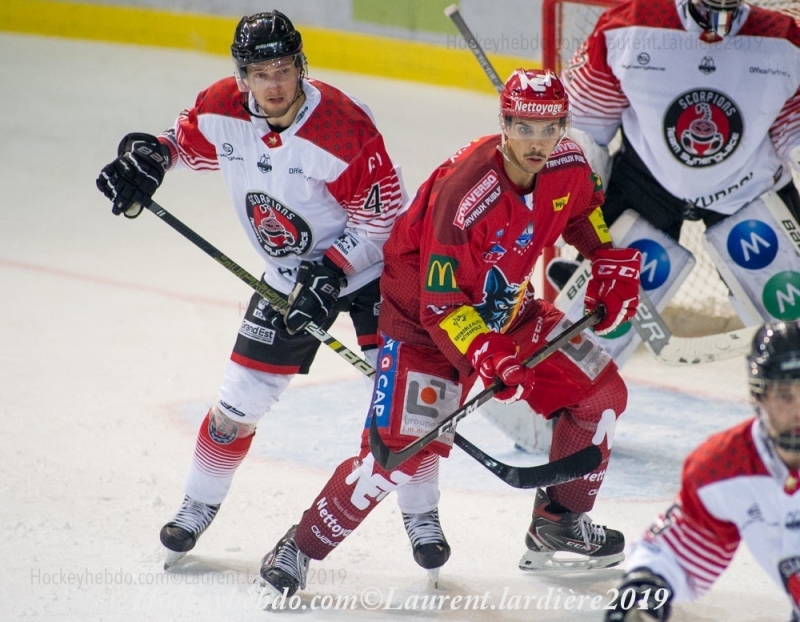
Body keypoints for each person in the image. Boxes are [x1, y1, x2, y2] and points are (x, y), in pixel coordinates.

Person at [256, 68, 643, 600]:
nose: (537, 142)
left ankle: (558, 523)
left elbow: (581, 213)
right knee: (395, 456)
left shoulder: (569, 162)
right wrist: (487, 351)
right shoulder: (465, 195)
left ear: (564, 125)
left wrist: (607, 257)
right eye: (524, 128)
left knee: (601, 394)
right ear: (503, 124)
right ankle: (298, 547)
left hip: (506, 308)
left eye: (549, 127)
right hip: (422, 324)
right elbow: (441, 304)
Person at [95, 11, 409, 567]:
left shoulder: (341, 127)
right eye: (260, 72)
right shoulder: (220, 106)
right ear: (241, 77)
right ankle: (197, 506)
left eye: (284, 69)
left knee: (402, 415)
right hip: (289, 277)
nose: (274, 84)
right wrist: (151, 159)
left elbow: (383, 220)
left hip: (369, 274)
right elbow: (185, 143)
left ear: (301, 67)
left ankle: (422, 518)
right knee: (232, 410)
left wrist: (334, 270)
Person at [551, 0, 800, 317]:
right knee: (595, 317)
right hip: (649, 183)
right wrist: (571, 208)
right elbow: (585, 127)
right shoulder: (629, 27)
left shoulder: (785, 41)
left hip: (750, 188)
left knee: (789, 315)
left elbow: (791, 126)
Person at [605, 319, 800, 622]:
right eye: (785, 396)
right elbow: (675, 555)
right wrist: (644, 589)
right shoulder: (724, 468)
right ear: (760, 396)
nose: (798, 411)